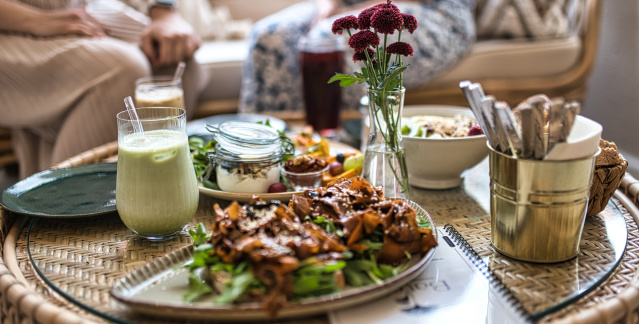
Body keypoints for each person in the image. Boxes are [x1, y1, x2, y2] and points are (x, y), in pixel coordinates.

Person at [0, 0, 205, 179]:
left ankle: (161, 201)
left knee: (177, 55)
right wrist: (37, 20)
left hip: (75, 7)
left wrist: (164, 10)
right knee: (123, 71)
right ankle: (60, 212)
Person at [239, 0, 476, 114]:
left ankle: (344, 166)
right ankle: (260, 155)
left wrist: (359, 10)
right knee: (268, 36)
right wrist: (327, 7)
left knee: (338, 38)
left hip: (435, 11)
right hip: (347, 4)